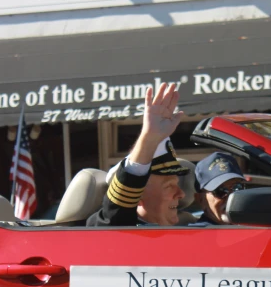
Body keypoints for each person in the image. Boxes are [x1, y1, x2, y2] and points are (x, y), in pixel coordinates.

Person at [87, 83, 188, 227]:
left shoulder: (190, 230)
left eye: (176, 185)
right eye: (169, 186)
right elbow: (114, 218)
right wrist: (149, 139)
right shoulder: (115, 232)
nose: (181, 194)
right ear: (137, 195)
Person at [192, 152, 247, 225]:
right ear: (200, 200)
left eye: (237, 188)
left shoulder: (252, 226)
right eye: (221, 191)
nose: (230, 197)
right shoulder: (199, 234)